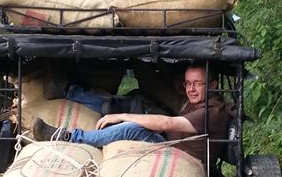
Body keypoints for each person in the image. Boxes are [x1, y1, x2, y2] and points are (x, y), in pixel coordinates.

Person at [32, 64, 232, 166]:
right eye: (188, 83)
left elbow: (166, 122)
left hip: (179, 159)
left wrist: (123, 116)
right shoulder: (198, 102)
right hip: (167, 145)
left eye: (198, 83)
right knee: (120, 105)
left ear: (213, 86)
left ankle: (69, 137)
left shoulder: (212, 113)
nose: (192, 89)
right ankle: (68, 93)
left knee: (131, 127)